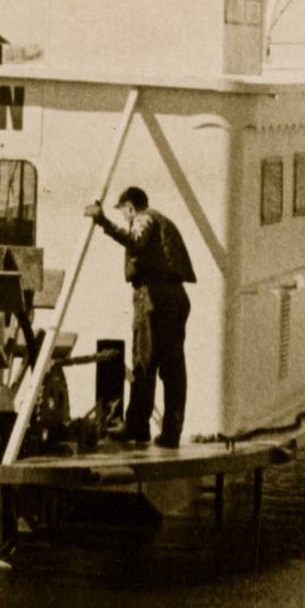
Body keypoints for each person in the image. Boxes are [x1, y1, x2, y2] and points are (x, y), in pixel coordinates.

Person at [86, 186, 195, 447]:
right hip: (175, 297)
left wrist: (103, 221)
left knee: (144, 363)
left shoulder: (144, 218)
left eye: (124, 212)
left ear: (130, 207)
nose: (125, 217)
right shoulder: (163, 221)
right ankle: (171, 432)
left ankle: (137, 426)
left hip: (153, 298)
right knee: (173, 368)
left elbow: (135, 240)